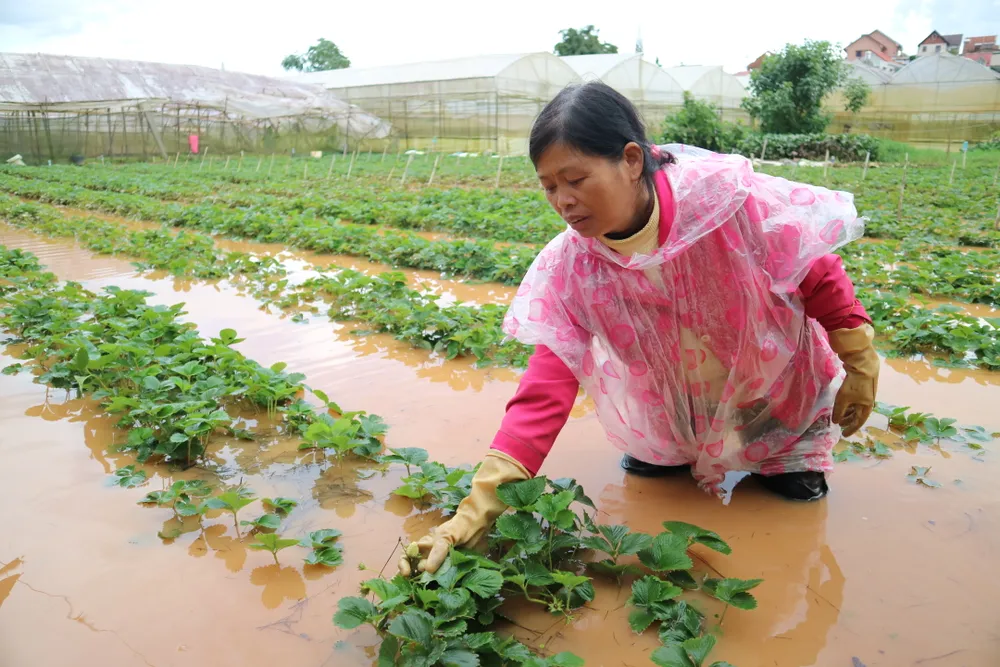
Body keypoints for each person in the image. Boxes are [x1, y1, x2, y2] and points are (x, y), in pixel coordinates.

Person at [399, 82, 879, 576]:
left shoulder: (728, 202)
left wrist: (859, 360)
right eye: (549, 186)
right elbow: (544, 391)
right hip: (671, 418)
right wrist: (469, 518)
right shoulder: (572, 268)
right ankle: (679, 454)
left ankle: (786, 467)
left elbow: (814, 269)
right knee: (654, 489)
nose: (563, 201)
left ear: (631, 160)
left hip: (775, 399)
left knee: (793, 509)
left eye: (576, 179)